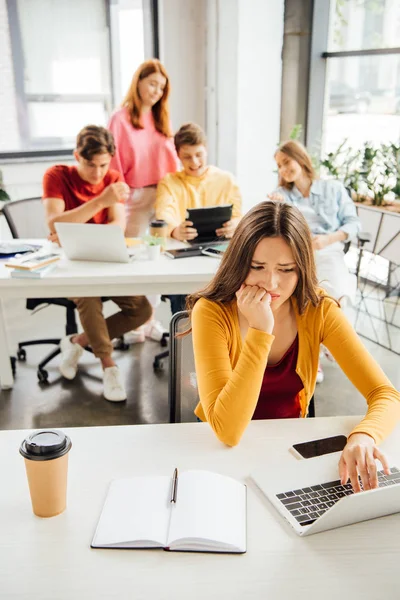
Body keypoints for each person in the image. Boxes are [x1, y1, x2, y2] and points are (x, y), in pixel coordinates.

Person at [188, 201, 400, 492]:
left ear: (302, 269)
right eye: (257, 266)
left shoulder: (318, 309)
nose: (271, 283)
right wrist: (261, 331)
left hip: (288, 450)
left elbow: (385, 394)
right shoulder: (211, 312)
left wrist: (364, 436)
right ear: (238, 262)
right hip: (217, 454)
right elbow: (228, 431)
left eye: (286, 269)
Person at [42, 125, 152, 402]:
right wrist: (100, 201)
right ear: (76, 155)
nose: (98, 173)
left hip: (104, 260)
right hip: (68, 265)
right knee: (89, 297)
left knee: (142, 309)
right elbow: (54, 222)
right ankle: (109, 366)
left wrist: (73, 227)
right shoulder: (56, 176)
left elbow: (118, 224)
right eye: (91, 165)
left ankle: (77, 342)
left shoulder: (113, 177)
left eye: (104, 165)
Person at [269, 140, 362, 382]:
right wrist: (276, 205)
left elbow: (353, 223)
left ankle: (327, 343)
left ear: (300, 159)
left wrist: (330, 238)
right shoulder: (284, 196)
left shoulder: (333, 188)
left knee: (331, 289)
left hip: (328, 249)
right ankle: (317, 355)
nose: (283, 169)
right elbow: (279, 225)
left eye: (286, 162)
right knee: (307, 294)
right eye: (279, 166)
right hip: (298, 252)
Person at [108, 59, 179, 342]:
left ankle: (149, 321)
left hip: (162, 196)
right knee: (136, 258)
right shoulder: (120, 118)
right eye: (152, 84)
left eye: (161, 88)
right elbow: (113, 164)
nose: (156, 91)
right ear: (138, 81)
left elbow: (171, 159)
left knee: (158, 258)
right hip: (135, 197)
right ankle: (135, 321)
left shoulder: (161, 119)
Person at [155, 122, 242, 313]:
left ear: (206, 150)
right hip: (183, 254)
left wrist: (234, 225)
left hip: (220, 253)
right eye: (187, 156)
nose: (194, 162)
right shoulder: (169, 183)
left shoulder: (226, 180)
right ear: (178, 155)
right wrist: (174, 230)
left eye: (198, 155)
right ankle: (184, 338)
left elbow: (239, 216)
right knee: (184, 301)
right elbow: (164, 214)